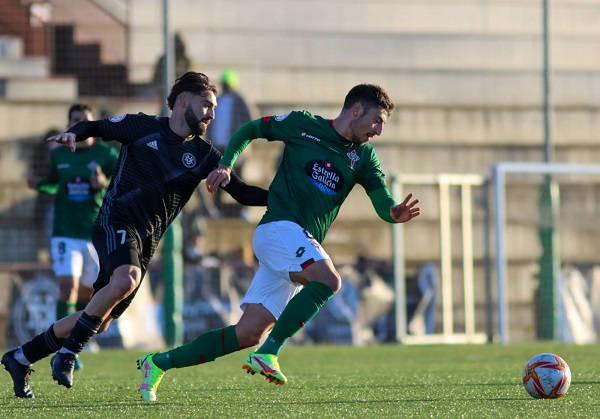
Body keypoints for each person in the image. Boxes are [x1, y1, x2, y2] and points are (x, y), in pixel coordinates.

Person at [136, 83, 420, 401]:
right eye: (377, 120)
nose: (379, 130)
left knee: (247, 333)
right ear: (356, 110)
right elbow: (250, 129)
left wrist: (394, 212)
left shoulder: (364, 157)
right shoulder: (303, 124)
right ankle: (270, 352)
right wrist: (226, 163)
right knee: (328, 280)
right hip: (277, 230)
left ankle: (158, 363)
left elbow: (381, 200)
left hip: (298, 244)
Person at [1, 71, 268, 399]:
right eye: (207, 105)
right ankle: (68, 355)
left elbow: (241, 193)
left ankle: (21, 357)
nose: (212, 113)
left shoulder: (204, 155)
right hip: (115, 221)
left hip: (146, 241)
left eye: (213, 108)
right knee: (125, 279)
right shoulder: (143, 127)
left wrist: (282, 197)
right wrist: (73, 133)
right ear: (183, 100)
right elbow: (96, 127)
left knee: (100, 321)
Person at [27, 104, 120, 371]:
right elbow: (55, 183)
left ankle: (79, 338)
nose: (78, 124)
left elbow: (121, 181)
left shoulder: (106, 154)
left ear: (91, 125)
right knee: (67, 287)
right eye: (74, 120)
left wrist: (103, 183)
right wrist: (40, 184)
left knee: (94, 294)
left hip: (95, 233)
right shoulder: (59, 155)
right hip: (65, 232)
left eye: (83, 120)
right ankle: (63, 348)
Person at [206, 69, 252, 217]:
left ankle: (243, 209)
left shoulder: (240, 101)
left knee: (239, 179)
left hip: (236, 149)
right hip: (218, 147)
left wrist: (242, 141)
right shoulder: (217, 99)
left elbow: (250, 121)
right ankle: (217, 209)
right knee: (218, 178)